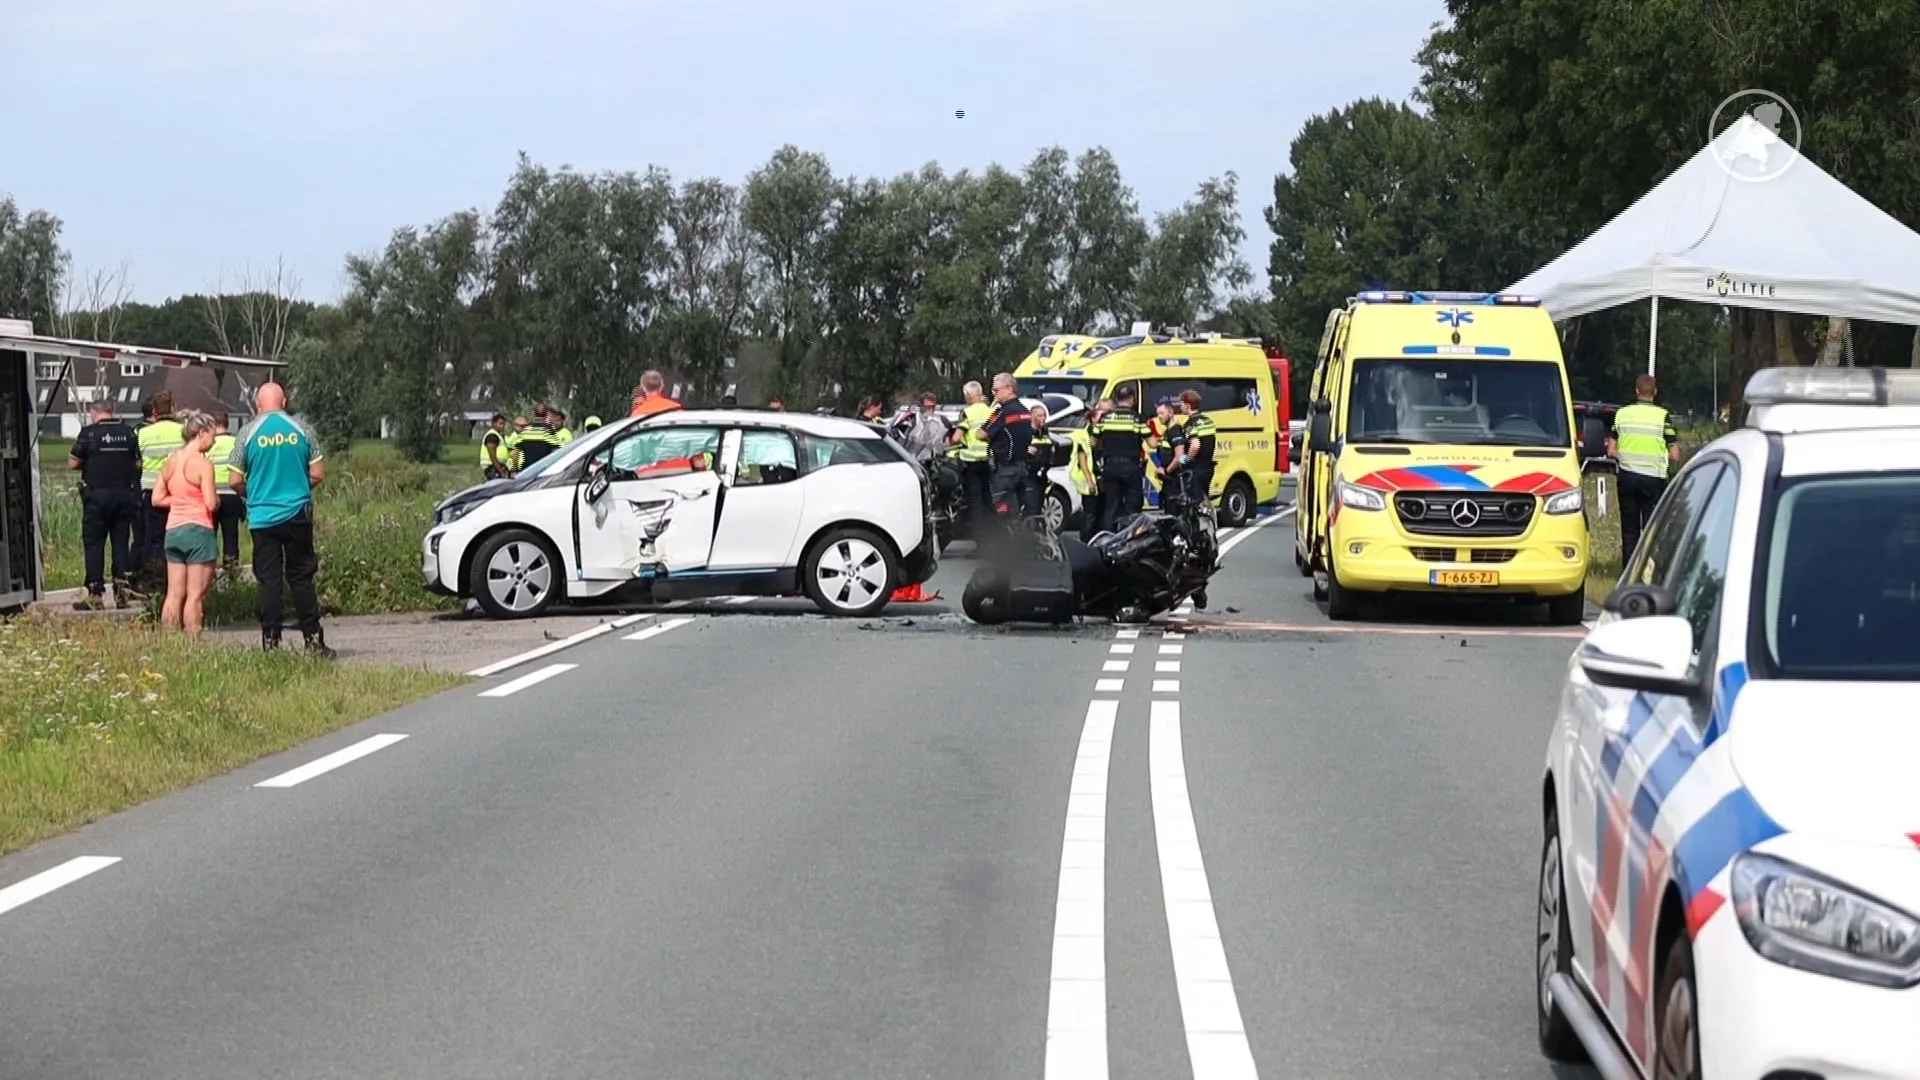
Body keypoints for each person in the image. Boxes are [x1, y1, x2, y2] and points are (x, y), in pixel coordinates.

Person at [229, 382, 333, 657]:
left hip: (262, 518)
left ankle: (271, 644)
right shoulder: (303, 430)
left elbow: (235, 479)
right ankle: (313, 641)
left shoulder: (247, 434)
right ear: (284, 402)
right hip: (297, 513)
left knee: (270, 580)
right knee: (301, 578)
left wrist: (255, 494)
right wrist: (297, 487)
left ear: (258, 405)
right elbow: (319, 473)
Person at [67, 400, 142, 610]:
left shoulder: (88, 433)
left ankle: (95, 594)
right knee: (121, 543)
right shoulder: (128, 432)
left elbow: (73, 462)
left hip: (97, 496)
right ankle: (122, 593)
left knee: (94, 544)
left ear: (94, 412)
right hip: (123, 495)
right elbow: (137, 463)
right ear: (111, 411)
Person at [152, 410, 221, 637]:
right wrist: (216, 499)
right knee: (195, 595)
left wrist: (180, 499)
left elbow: (157, 498)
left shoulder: (172, 459)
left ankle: (170, 642)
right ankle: (192, 643)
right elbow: (211, 504)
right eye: (212, 435)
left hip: (173, 530)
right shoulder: (202, 463)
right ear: (202, 433)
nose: (213, 441)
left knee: (173, 593)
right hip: (198, 530)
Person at [1607, 373, 1681, 565]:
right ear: (1655, 392)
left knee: (1629, 530)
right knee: (1651, 530)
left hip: (1628, 477)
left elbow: (1611, 450)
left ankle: (1628, 573)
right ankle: (1649, 571)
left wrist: (1626, 457)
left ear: (1636, 391)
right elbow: (1674, 453)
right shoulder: (1663, 417)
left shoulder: (1622, 414)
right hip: (1653, 480)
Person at [136, 390, 184, 586]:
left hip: (151, 490)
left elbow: (137, 462)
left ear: (154, 411)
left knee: (153, 537)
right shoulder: (184, 431)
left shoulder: (143, 433)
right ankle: (177, 576)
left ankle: (154, 578)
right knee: (178, 534)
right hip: (178, 490)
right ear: (173, 409)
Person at [1088, 384, 1151, 534]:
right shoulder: (1137, 418)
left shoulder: (1105, 418)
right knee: (1132, 506)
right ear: (1132, 400)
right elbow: (1152, 442)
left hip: (1110, 467)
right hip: (1130, 467)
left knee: (1111, 506)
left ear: (1117, 400)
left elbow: (1093, 442)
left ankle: (1108, 537)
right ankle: (1130, 538)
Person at [975, 373, 1033, 524]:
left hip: (1004, 469)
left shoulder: (1002, 412)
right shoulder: (1025, 411)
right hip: (1022, 467)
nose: (993, 393)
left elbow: (981, 434)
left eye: (996, 390)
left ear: (1009, 389)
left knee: (999, 506)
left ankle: (1005, 539)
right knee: (1018, 507)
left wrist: (993, 437)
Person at [948, 380, 994, 520]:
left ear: (968, 395)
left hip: (971, 463)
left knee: (975, 501)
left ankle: (980, 536)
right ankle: (995, 533)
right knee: (988, 498)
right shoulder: (991, 412)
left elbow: (956, 438)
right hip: (989, 461)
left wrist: (949, 443)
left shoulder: (967, 412)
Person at [1165, 389, 1218, 510]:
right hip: (1208, 466)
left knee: (1194, 502)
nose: (1180, 407)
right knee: (1203, 499)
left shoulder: (1191, 424)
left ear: (1188, 405)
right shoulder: (1207, 420)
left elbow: (1195, 445)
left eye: (1181, 404)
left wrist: (1186, 459)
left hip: (1197, 468)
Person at [208, 416, 246, 571]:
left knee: (210, 538)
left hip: (212, 495)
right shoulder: (236, 442)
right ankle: (231, 571)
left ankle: (209, 572)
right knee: (231, 536)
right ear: (227, 424)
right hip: (232, 494)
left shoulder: (208, 444)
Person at [897, 392, 952, 463]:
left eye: (933, 407)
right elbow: (903, 440)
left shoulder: (942, 420)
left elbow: (948, 442)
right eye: (927, 407)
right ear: (921, 406)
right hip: (915, 460)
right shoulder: (913, 420)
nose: (930, 410)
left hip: (936, 461)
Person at [1024, 403, 1056, 518]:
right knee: (1031, 508)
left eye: (1044, 416)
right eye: (1039, 416)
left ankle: (1036, 533)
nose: (1043, 418)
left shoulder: (1045, 432)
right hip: (1028, 475)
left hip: (1042, 476)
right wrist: (1025, 449)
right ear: (1031, 417)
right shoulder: (1025, 432)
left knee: (1039, 508)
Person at [481, 413, 512, 480]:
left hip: (498, 467)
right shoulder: (492, 436)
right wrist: (501, 471)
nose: (502, 426)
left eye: (504, 424)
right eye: (500, 424)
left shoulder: (498, 435)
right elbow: (492, 456)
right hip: (493, 468)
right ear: (494, 424)